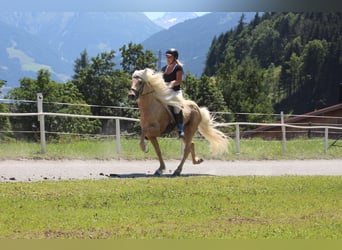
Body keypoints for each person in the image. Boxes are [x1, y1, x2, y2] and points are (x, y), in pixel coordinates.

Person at [161, 48, 185, 138]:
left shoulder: (178, 68)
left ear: (174, 58)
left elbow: (178, 81)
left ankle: (180, 129)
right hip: (166, 92)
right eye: (166, 57)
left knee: (177, 108)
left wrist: (171, 84)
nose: (167, 58)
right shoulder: (164, 69)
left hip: (175, 92)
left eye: (169, 57)